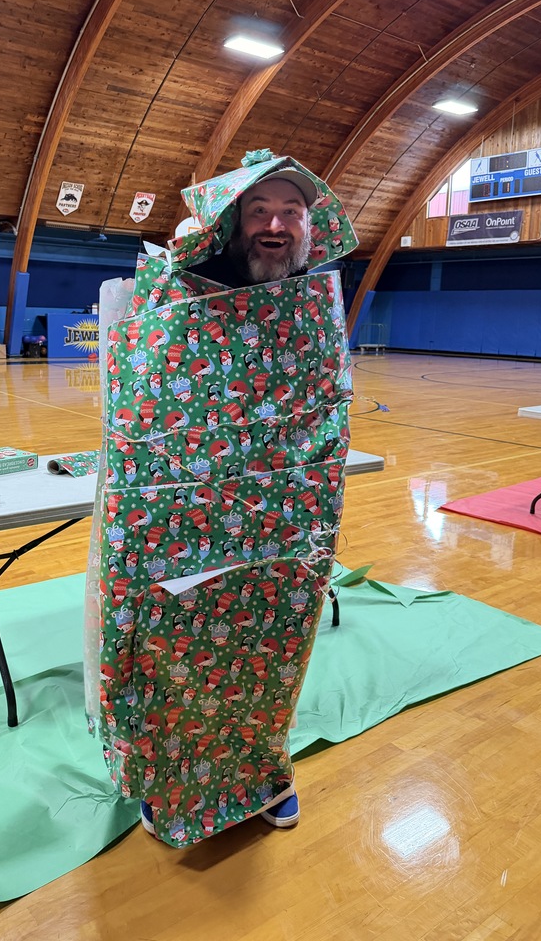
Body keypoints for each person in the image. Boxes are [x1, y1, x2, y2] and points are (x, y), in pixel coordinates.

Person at [89, 150, 358, 847]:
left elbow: (323, 411)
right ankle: (165, 779)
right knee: (170, 645)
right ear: (232, 222)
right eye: (258, 210)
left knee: (273, 651)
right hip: (184, 520)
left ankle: (265, 774)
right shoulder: (182, 293)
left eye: (290, 212)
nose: (275, 225)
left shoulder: (312, 311)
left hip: (283, 524)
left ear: (310, 223)